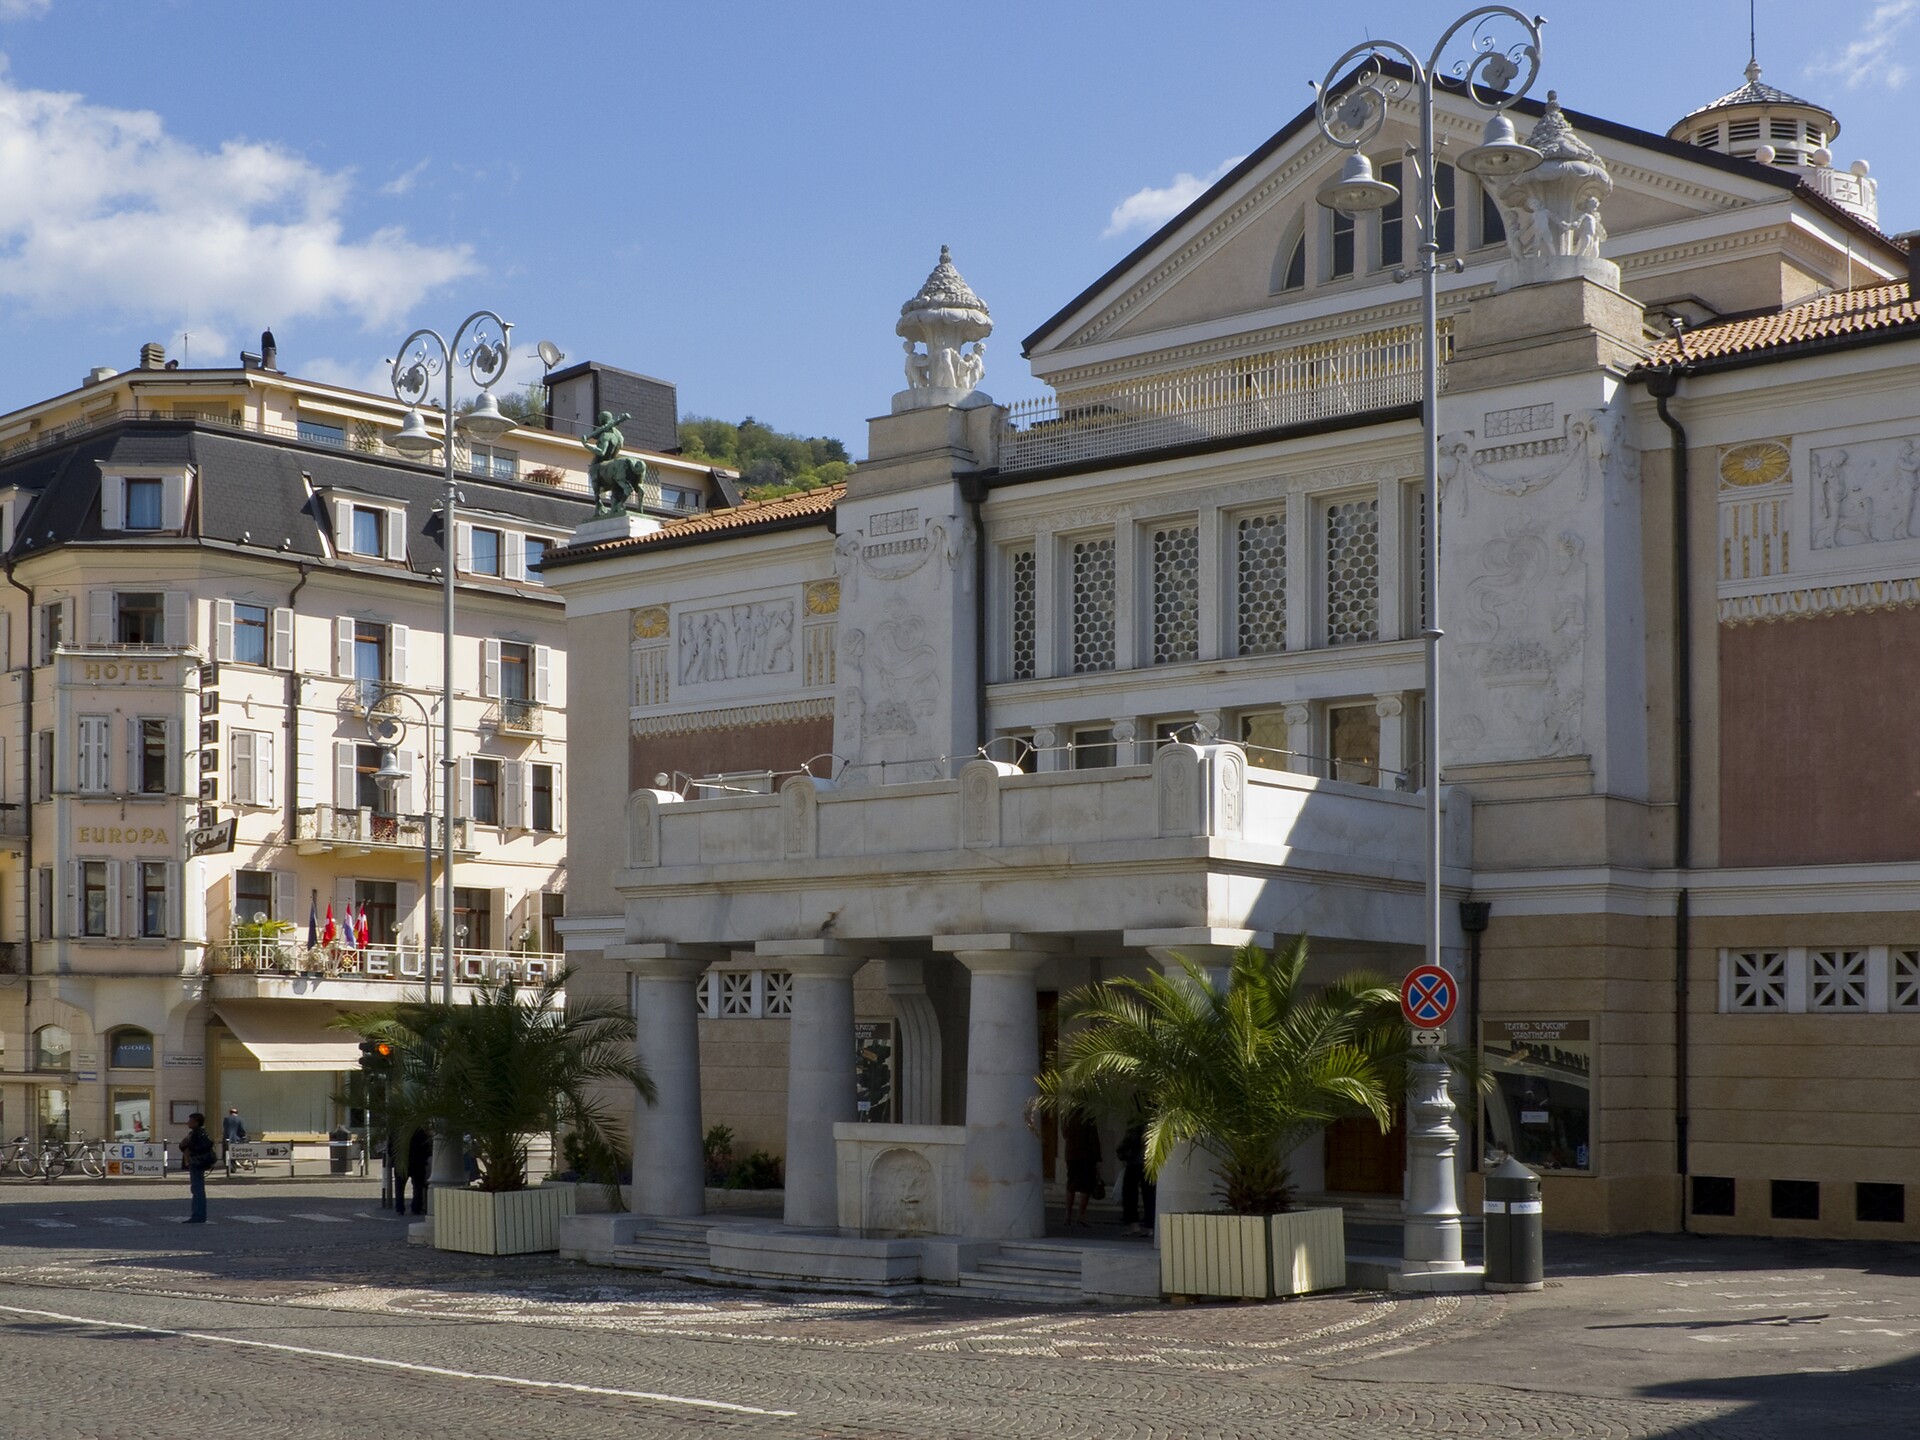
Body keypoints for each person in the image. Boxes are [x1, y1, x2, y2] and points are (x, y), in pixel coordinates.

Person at [1062, 1107, 1103, 1229]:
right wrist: (1098, 1157)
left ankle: (1067, 1215)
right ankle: (1081, 1214)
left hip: (1071, 1154)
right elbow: (1093, 1137)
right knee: (1086, 1186)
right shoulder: (1088, 1115)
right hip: (1086, 1155)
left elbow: (1064, 1133)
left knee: (1071, 1184)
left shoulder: (1066, 1115)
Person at [1117, 1117, 1157, 1238]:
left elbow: (1131, 1139)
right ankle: (1149, 1226)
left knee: (1129, 1194)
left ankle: (1134, 1225)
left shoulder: (1136, 1121)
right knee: (1149, 1194)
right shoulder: (1154, 1120)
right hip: (1149, 1161)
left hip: (1136, 1161)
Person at [180, 1113, 215, 1223]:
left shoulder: (198, 1133)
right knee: (196, 1189)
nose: (188, 1122)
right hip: (196, 1162)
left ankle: (198, 1215)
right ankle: (198, 1214)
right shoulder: (196, 1133)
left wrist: (188, 1145)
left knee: (197, 1189)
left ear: (196, 1122)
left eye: (190, 1120)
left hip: (197, 1162)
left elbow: (200, 1147)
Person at [404, 1127, 432, 1216]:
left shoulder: (402, 1133)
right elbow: (426, 1147)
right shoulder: (420, 1133)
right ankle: (417, 1207)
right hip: (418, 1163)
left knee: (402, 1187)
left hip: (405, 1162)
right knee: (418, 1187)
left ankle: (400, 1207)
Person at [221, 1106, 247, 1173]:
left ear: (230, 1113)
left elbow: (225, 1128)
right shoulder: (240, 1119)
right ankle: (233, 1167)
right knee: (234, 1154)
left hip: (226, 1139)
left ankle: (229, 1168)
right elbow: (242, 1130)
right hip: (236, 1139)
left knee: (226, 1154)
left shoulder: (226, 1119)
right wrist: (243, 1136)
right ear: (237, 1113)